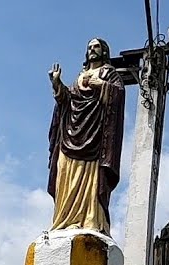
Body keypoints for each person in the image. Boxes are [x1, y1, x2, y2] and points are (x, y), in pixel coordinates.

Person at [47, 37, 125, 234]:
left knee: (91, 179)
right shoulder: (80, 75)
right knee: (64, 173)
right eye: (90, 47)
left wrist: (102, 85)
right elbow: (68, 101)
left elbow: (118, 96)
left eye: (96, 46)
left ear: (104, 50)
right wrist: (57, 84)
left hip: (95, 138)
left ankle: (90, 219)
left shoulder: (109, 73)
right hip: (71, 133)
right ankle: (65, 219)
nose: (92, 50)